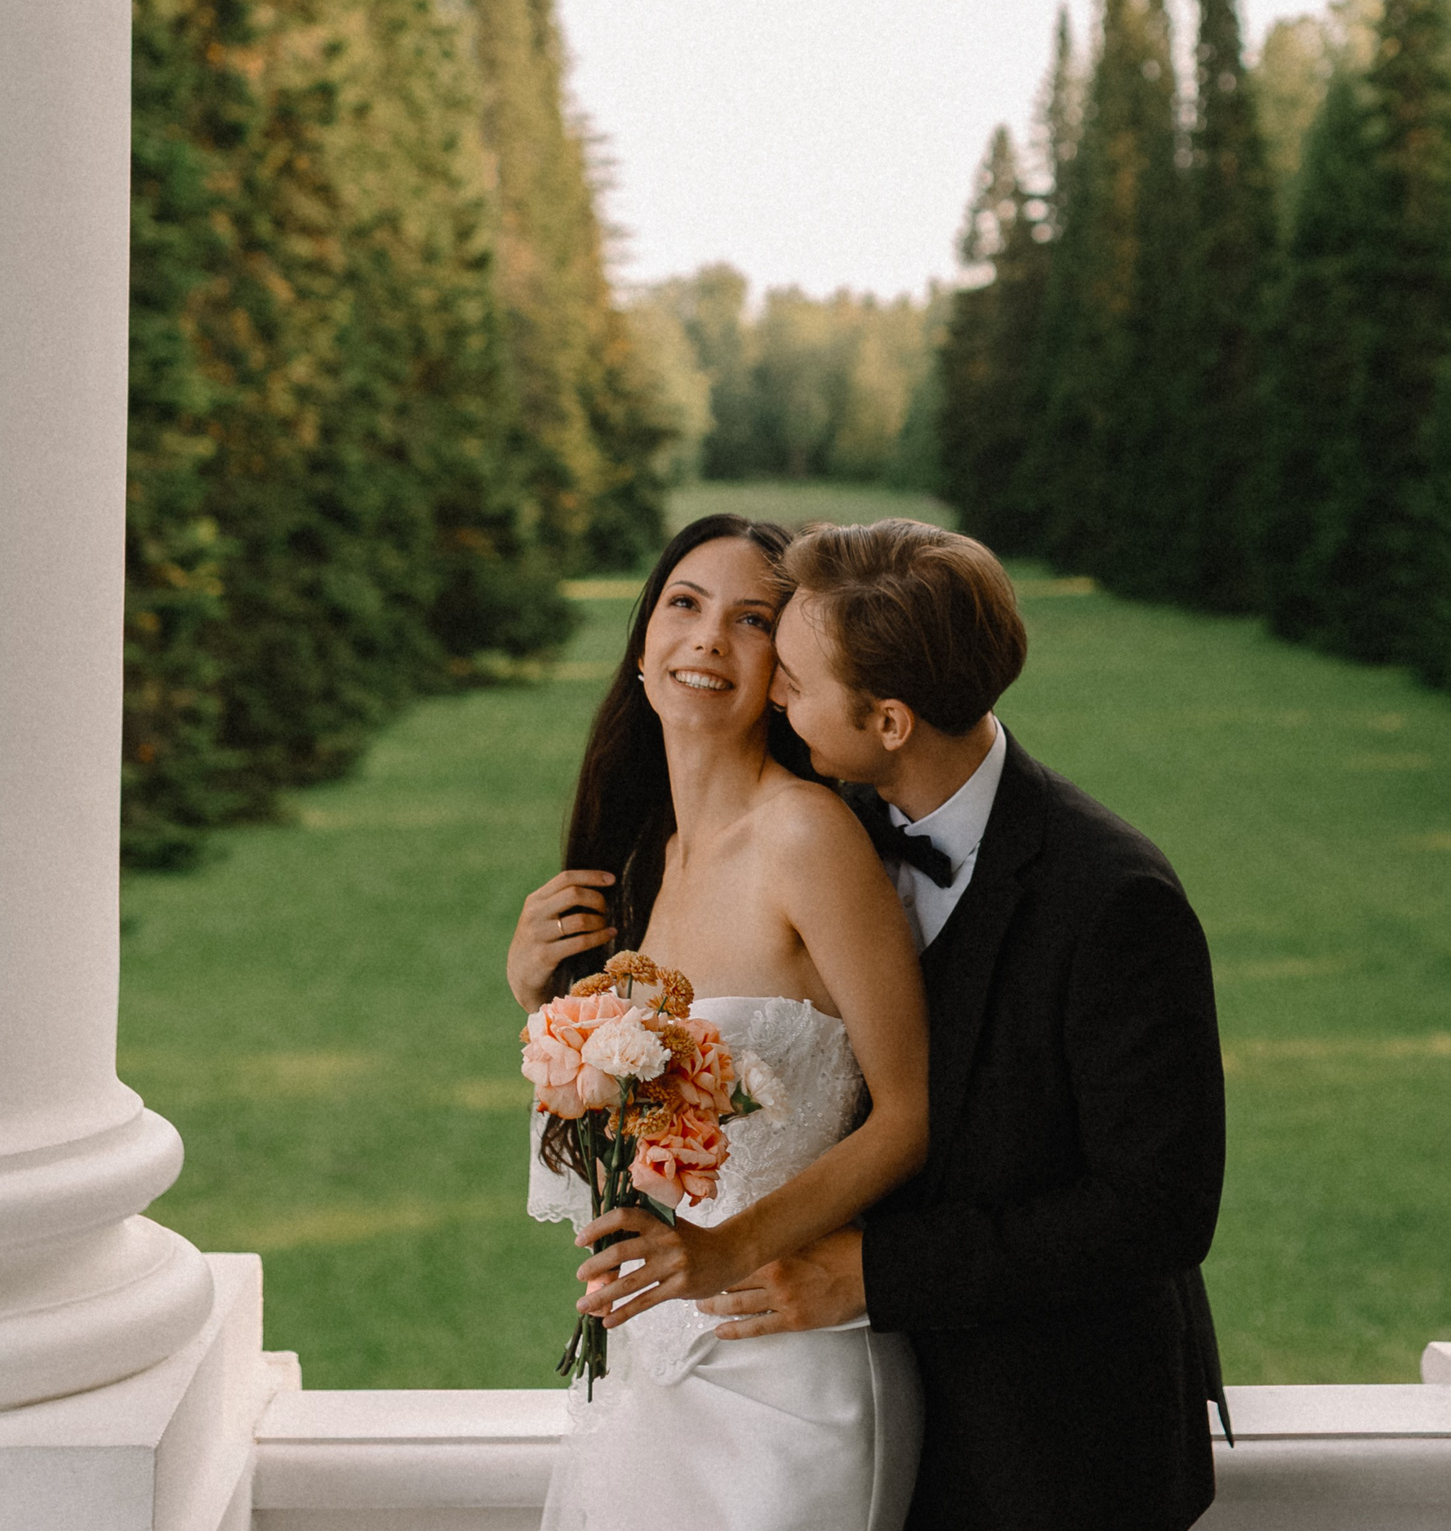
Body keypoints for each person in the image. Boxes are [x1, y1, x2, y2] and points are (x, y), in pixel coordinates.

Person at [703, 518, 1230, 1531]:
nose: (772, 693)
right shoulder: (823, 832)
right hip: (846, 1421)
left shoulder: (1114, 898)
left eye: (798, 683)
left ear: (890, 722)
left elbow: (1158, 1209)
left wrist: (877, 1274)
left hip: (1058, 1446)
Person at [506, 514, 931, 1531]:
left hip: (790, 1381)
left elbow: (910, 1114)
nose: (705, 639)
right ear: (643, 641)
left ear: (783, 669)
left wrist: (723, 1254)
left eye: (750, 620)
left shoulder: (806, 837)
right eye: (683, 605)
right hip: (653, 1376)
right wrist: (540, 1004)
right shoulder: (641, 861)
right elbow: (619, 1149)